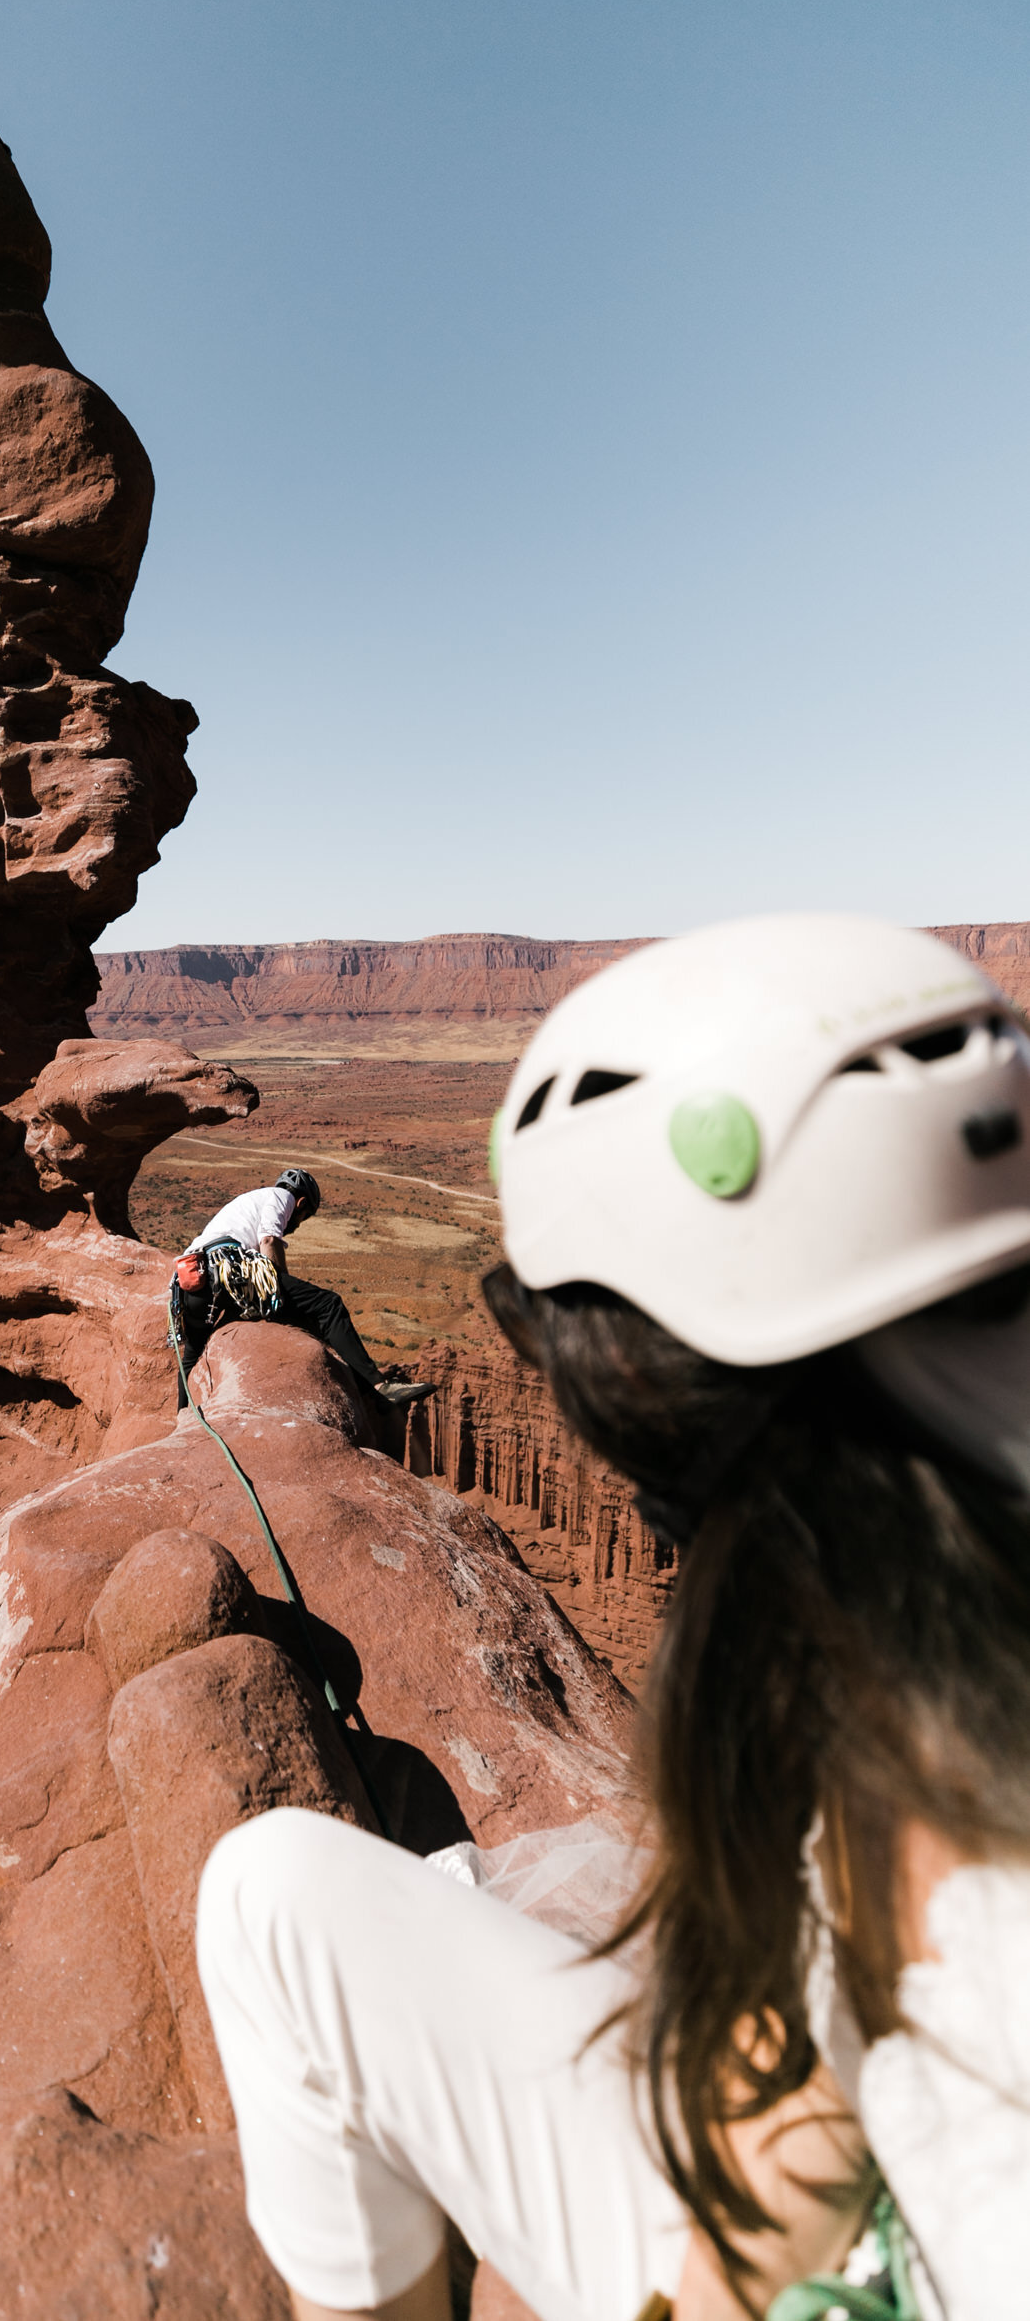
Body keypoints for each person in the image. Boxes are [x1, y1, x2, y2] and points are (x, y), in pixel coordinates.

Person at [196, 915, 1030, 2321]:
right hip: (839, 2209)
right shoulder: (879, 1648)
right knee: (281, 1894)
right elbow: (808, 2082)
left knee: (270, 1899)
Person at [174, 1166, 436, 1409]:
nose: (296, 1226)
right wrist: (279, 1287)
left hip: (192, 1284)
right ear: (301, 1204)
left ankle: (182, 1414)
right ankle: (379, 1388)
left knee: (191, 1355)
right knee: (328, 1305)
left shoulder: (243, 1204)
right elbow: (268, 1240)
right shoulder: (281, 1197)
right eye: (302, 1218)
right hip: (227, 1272)